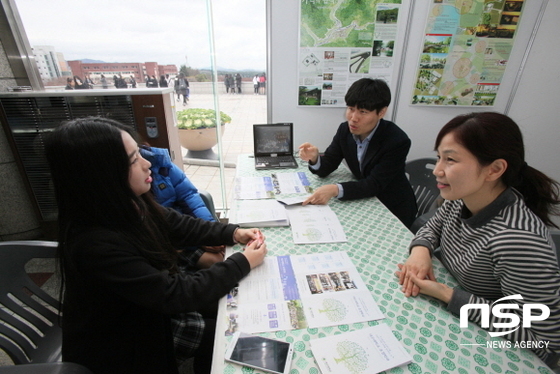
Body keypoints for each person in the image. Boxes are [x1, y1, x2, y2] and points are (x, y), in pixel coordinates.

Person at [44, 116, 267, 374]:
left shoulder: (127, 204)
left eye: (140, 153)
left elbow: (179, 225)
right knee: (222, 334)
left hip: (149, 308)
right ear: (100, 175)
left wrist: (233, 233)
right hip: (129, 341)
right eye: (133, 160)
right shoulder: (94, 244)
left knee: (230, 308)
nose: (147, 163)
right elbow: (174, 295)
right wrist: (243, 261)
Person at [396, 112, 560, 367]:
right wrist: (420, 250)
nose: (437, 170)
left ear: (494, 169)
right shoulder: (462, 198)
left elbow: (541, 338)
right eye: (439, 156)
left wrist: (447, 294)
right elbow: (432, 227)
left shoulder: (517, 240)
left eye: (450, 160)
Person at [298, 78, 417, 228]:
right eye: (351, 109)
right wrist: (315, 159)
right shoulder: (345, 131)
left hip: (391, 207)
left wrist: (335, 189)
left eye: (363, 111)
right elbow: (327, 165)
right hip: (363, 200)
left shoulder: (397, 141)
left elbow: (374, 184)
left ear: (381, 112)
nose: (353, 118)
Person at [139, 144, 224, 269]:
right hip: (170, 246)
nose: (146, 164)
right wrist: (196, 242)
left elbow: (190, 199)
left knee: (223, 251)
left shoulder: (162, 165)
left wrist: (210, 236)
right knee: (217, 261)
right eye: (134, 160)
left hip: (183, 235)